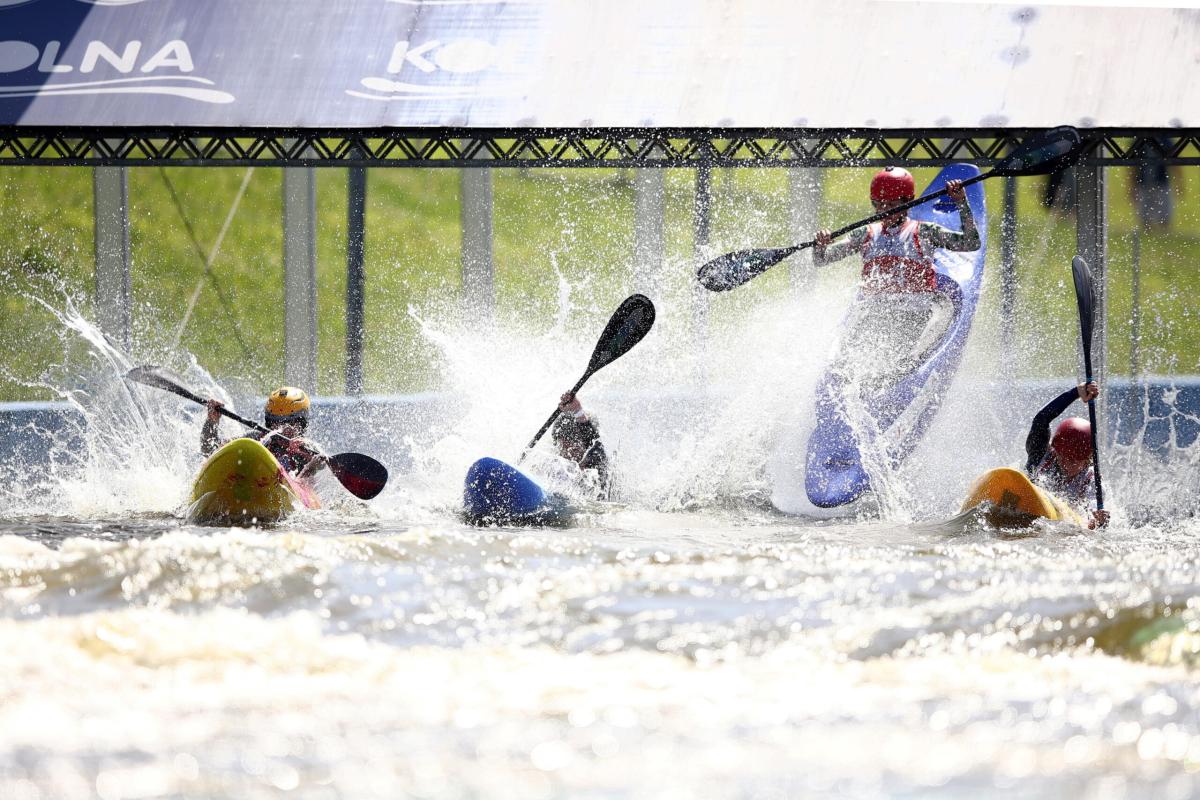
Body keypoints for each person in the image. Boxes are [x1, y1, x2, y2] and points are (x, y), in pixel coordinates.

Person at [1024, 381, 1109, 529]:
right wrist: (1076, 392)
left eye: (1072, 461)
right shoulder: (1040, 456)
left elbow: (1093, 511)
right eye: (1061, 456)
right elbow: (1040, 420)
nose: (1064, 463)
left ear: (1086, 462)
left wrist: (1097, 521)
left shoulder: (1091, 481)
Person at [201, 386, 326, 480]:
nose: (282, 428)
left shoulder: (308, 448)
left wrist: (307, 459)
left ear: (301, 424)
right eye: (276, 422)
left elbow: (322, 465)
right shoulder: (256, 439)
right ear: (269, 422)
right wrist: (211, 422)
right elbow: (209, 451)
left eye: (289, 423)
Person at [550, 392, 611, 500]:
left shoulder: (599, 469)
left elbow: (593, 442)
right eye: (564, 440)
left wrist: (578, 412)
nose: (569, 449)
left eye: (575, 440)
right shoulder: (551, 466)